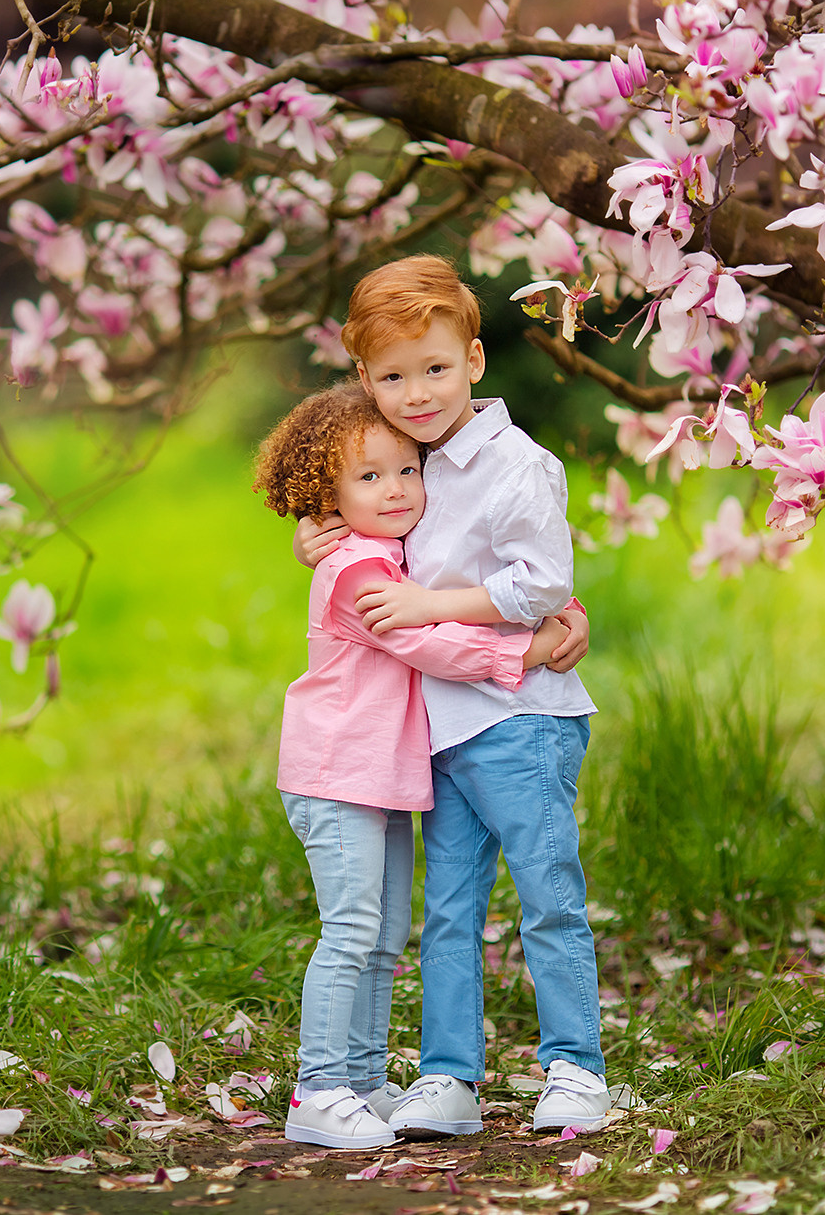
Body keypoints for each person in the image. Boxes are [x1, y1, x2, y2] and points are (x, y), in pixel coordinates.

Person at [297, 254, 627, 1137]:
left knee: (548, 891)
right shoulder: (404, 461)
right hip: (438, 730)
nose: (418, 391)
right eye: (395, 376)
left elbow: (541, 581)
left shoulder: (515, 463)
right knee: (449, 908)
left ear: (475, 362)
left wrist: (438, 606)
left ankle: (575, 1066)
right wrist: (313, 540)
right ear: (365, 378)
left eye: (436, 368)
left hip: (524, 720)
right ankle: (449, 1074)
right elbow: (360, 527)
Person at [256, 381, 577, 1150]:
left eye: (408, 470)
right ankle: (321, 1085)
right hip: (336, 772)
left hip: (383, 775)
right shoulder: (357, 569)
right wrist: (524, 652)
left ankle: (364, 1078)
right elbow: (425, 640)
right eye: (369, 478)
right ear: (326, 495)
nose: (396, 489)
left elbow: (474, 575)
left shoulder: (392, 548)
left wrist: (569, 613)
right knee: (352, 927)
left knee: (384, 930)